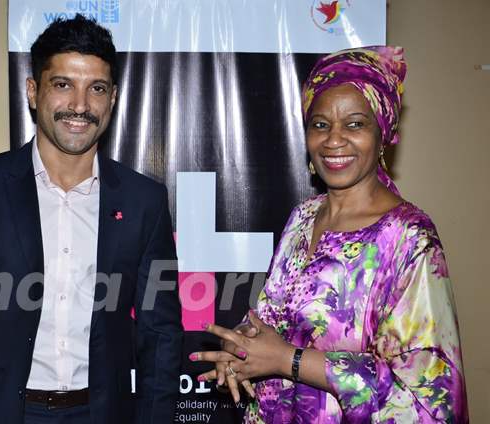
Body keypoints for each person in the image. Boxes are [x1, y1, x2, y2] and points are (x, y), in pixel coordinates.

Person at [0, 14, 183, 424]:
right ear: (33, 92)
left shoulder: (145, 201)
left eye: (96, 89)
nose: (80, 105)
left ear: (112, 99)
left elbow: (160, 336)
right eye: (63, 85)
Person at [190, 46, 468, 422]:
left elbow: (428, 398)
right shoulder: (303, 217)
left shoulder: (408, 238)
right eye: (320, 124)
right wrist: (243, 346)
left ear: (383, 130)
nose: (333, 140)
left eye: (355, 124)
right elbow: (275, 319)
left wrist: (288, 360)